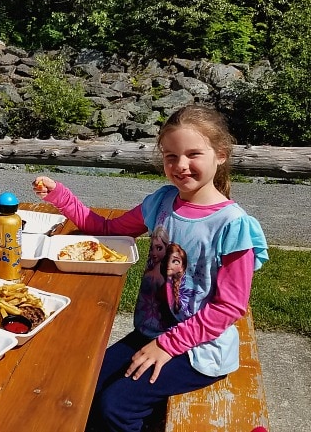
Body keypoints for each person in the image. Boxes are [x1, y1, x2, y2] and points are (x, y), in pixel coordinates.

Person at [32, 104, 268, 432]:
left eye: (193, 154)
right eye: (171, 156)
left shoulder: (234, 226)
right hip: (151, 332)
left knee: (116, 407)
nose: (181, 165)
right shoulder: (161, 201)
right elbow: (109, 229)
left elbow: (229, 307)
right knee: (81, 384)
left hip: (199, 351)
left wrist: (167, 345)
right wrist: (61, 196)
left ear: (221, 154)